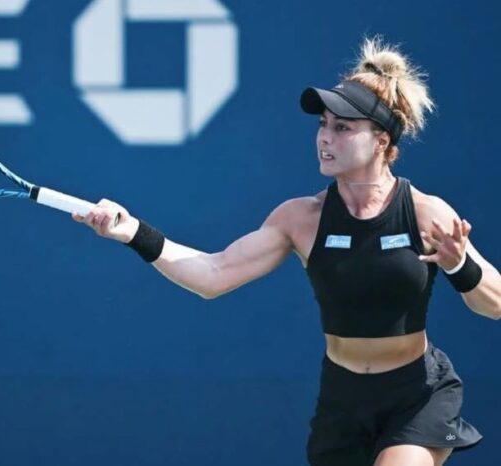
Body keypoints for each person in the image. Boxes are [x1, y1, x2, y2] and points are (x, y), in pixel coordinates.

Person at [72, 37, 501, 466]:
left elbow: (496, 303)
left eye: (342, 127)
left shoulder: (426, 214)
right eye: (323, 124)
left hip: (416, 396)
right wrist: (133, 233)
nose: (325, 138)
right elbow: (213, 274)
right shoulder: (301, 218)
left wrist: (459, 265)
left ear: (381, 140)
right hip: (343, 400)